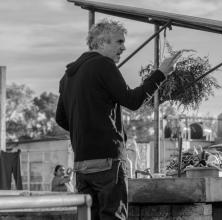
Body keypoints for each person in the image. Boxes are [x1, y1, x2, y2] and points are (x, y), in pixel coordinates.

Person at [55, 18, 181, 220]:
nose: (123, 47)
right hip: (107, 161)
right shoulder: (103, 65)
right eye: (119, 42)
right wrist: (160, 74)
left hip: (81, 164)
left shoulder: (68, 75)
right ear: (100, 43)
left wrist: (87, 129)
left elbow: (61, 118)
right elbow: (132, 101)